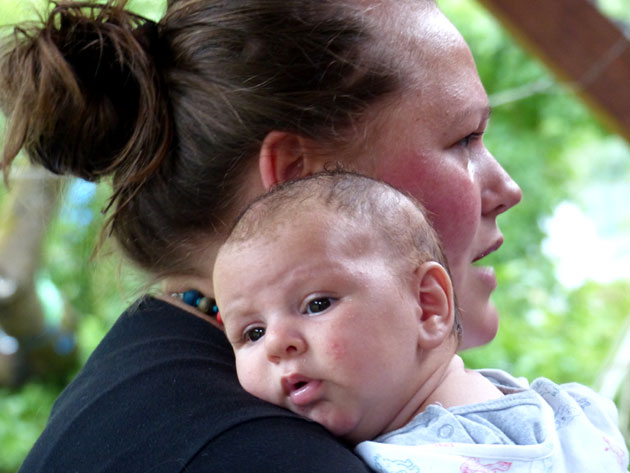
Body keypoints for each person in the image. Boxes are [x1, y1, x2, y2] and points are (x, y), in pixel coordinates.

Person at [0, 0, 521, 471]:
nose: (506, 188)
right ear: (301, 178)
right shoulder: (258, 455)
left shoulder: (155, 387)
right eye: (463, 140)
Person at [213, 171, 630, 473]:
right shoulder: (576, 413)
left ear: (427, 307)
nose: (276, 344)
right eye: (252, 332)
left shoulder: (576, 419)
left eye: (317, 303)